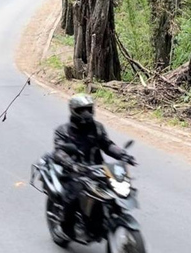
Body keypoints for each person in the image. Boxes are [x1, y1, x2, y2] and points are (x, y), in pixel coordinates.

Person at [52, 94, 136, 240]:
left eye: (88, 109)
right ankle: (65, 227)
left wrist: (123, 154)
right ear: (73, 110)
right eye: (81, 110)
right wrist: (70, 163)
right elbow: (59, 151)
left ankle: (106, 218)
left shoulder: (97, 128)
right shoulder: (63, 131)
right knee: (74, 193)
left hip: (97, 170)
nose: (86, 113)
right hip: (74, 172)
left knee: (118, 187)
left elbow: (107, 145)